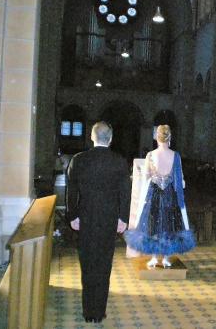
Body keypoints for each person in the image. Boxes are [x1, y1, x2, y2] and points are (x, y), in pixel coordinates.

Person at [66, 121, 131, 323]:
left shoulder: (78, 160)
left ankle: (88, 312)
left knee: (87, 265)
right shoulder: (119, 161)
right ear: (110, 139)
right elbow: (125, 194)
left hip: (85, 219)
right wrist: (123, 218)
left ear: (92, 137)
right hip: (109, 220)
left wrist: (73, 215)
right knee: (104, 265)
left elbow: (72, 190)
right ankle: (99, 312)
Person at [126, 125, 196, 268]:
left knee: (152, 226)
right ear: (169, 138)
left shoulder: (150, 155)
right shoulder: (175, 155)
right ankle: (165, 258)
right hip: (170, 195)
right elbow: (180, 179)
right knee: (168, 226)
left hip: (154, 194)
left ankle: (153, 258)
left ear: (156, 137)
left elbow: (146, 177)